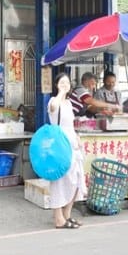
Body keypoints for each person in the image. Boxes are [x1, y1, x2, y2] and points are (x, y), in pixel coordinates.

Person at [47, 73, 87, 229]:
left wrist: (76, 136)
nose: (65, 85)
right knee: (59, 181)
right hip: (60, 146)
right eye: (62, 82)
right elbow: (53, 108)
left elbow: (70, 124)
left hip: (73, 146)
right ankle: (58, 218)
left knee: (75, 179)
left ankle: (67, 215)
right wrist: (61, 93)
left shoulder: (69, 103)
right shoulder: (53, 101)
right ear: (56, 85)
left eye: (67, 83)